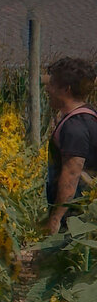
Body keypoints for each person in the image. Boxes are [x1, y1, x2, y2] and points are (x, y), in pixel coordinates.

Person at [43, 56, 95, 236]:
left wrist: (56, 219)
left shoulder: (75, 126)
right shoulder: (87, 115)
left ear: (66, 89)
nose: (47, 89)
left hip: (77, 220)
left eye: (52, 84)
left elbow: (71, 175)